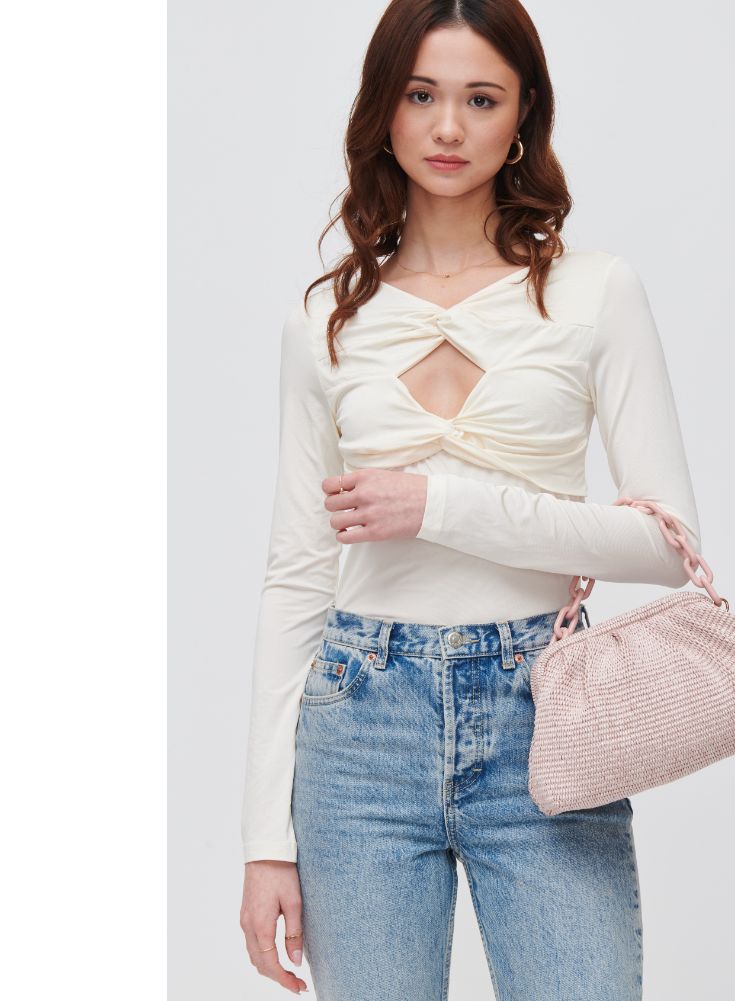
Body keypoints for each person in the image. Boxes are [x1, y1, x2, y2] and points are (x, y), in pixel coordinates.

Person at [239, 2, 701, 998]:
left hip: (543, 711)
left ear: (522, 113)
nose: (447, 127)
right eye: (420, 95)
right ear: (384, 110)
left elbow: (665, 545)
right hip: (359, 724)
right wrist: (263, 839)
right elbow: (296, 575)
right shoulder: (324, 321)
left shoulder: (593, 292)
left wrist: (438, 505)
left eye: (480, 99)